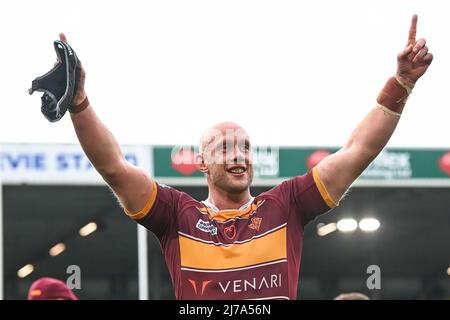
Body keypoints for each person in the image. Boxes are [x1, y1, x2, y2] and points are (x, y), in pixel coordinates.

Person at [53, 15, 432, 300]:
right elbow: (114, 167)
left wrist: (400, 84)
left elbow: (358, 151)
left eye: (246, 147)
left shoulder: (286, 204)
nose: (239, 156)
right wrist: (80, 104)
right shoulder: (175, 214)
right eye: (225, 147)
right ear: (202, 162)